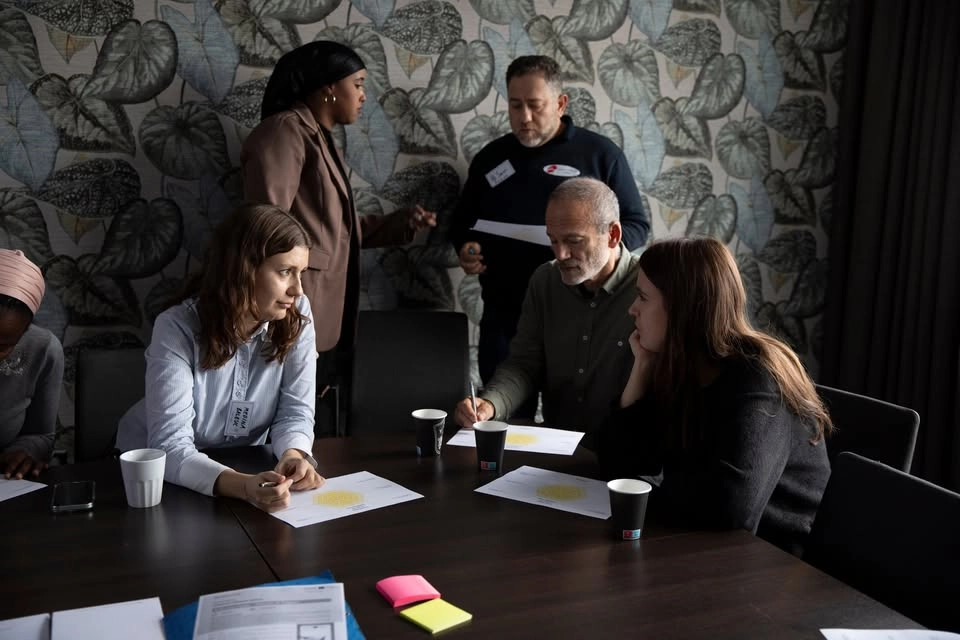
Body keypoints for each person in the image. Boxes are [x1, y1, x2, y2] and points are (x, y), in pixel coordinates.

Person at [241, 41, 436, 432]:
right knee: (288, 425)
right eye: (359, 84)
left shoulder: (320, 139)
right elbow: (266, 227)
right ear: (330, 87)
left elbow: (335, 233)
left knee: (312, 423)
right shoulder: (285, 132)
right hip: (292, 306)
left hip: (323, 313)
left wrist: (401, 224)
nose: (364, 96)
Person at [596, 236, 832, 555]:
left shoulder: (757, 376)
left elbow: (734, 507)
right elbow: (619, 463)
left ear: (684, 308)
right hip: (714, 548)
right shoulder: (681, 364)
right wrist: (642, 367)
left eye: (642, 297)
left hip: (781, 560)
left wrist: (650, 488)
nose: (632, 309)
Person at [449, 55, 650, 416]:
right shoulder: (491, 158)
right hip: (508, 307)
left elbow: (635, 224)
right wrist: (466, 247)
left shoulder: (600, 154)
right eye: (515, 105)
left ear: (559, 104)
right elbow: (464, 223)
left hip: (586, 300)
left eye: (534, 105)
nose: (524, 117)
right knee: (507, 408)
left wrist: (593, 260)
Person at [117, 205, 322, 513]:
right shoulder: (176, 327)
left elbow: (295, 412)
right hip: (153, 479)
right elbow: (170, 447)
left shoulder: (297, 313)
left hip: (245, 467)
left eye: (301, 273)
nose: (297, 289)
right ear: (244, 269)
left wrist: (294, 455)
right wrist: (243, 486)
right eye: (285, 272)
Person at [453, 178, 639, 444]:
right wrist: (490, 405)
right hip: (555, 448)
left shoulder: (649, 288)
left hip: (623, 458)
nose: (560, 254)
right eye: (553, 240)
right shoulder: (545, 280)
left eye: (573, 241)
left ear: (613, 235)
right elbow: (524, 365)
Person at [0, 249, 63, 479]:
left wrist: (24, 452)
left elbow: (42, 434)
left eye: (3, 346)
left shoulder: (43, 350)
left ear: (24, 333)